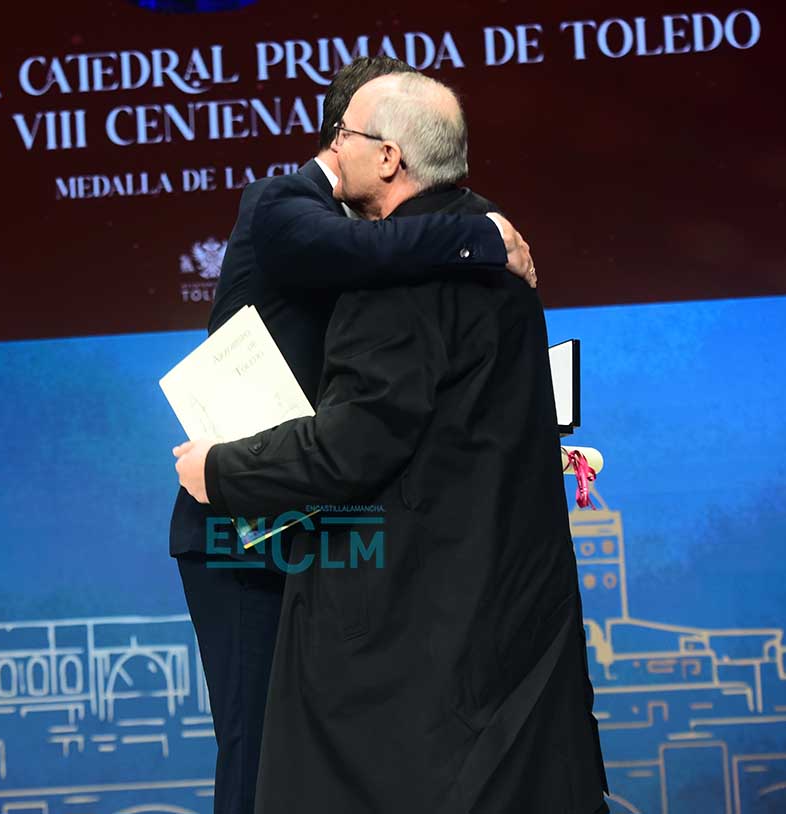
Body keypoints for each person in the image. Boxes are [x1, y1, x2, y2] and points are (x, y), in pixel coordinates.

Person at [175, 73, 608, 814]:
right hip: (425, 577)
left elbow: (356, 444)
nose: (329, 149)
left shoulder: (409, 267)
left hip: (372, 566)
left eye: (342, 134)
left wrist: (218, 469)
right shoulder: (471, 246)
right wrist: (480, 234)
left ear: (386, 156)